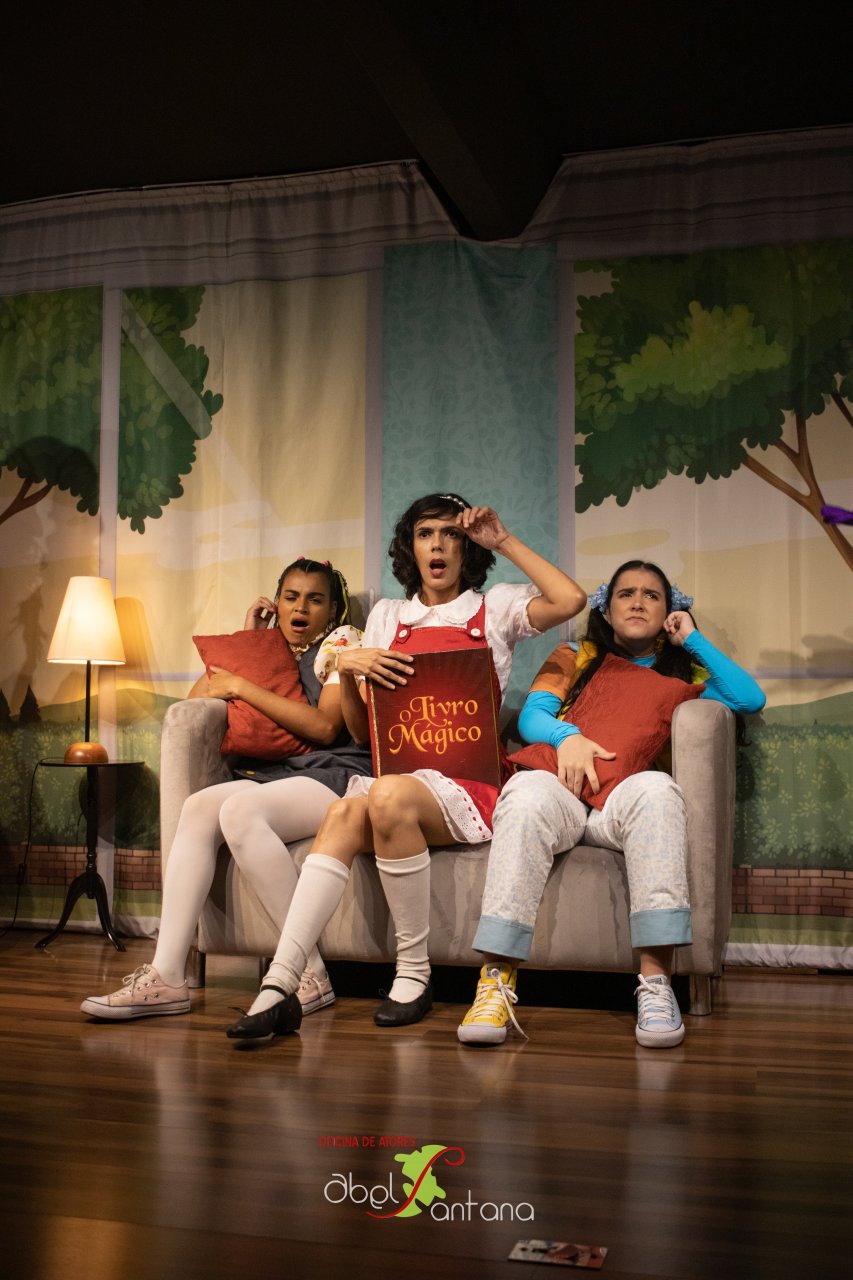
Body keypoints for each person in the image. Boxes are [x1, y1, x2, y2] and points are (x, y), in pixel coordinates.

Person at [225, 494, 587, 1043]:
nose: (437, 545)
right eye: (425, 534)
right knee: (344, 813)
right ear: (410, 547)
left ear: (467, 547)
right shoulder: (388, 617)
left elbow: (571, 600)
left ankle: (414, 973)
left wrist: (503, 540)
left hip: (468, 783)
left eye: (450, 534)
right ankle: (281, 986)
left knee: (387, 794)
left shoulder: (494, 608)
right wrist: (350, 671)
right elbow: (361, 733)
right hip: (397, 780)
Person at [456, 559, 766, 1050]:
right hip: (562, 789)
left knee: (659, 791)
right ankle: (495, 983)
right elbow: (532, 718)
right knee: (523, 795)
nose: (638, 602)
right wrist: (569, 738)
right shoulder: (573, 653)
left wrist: (691, 638)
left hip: (623, 800)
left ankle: (656, 985)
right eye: (626, 593)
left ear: (669, 611)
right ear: (605, 607)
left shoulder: (685, 669)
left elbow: (749, 699)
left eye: (652, 595)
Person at [80, 558, 370, 1023]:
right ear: (277, 603)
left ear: (333, 610)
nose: (301, 608)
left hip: (335, 774)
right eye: (291, 597)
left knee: (238, 812)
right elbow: (195, 703)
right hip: (278, 776)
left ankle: (308, 971)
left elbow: (324, 727)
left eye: (315, 600)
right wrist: (249, 644)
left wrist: (242, 686)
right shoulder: (270, 648)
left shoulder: (343, 643)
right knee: (197, 808)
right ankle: (167, 975)